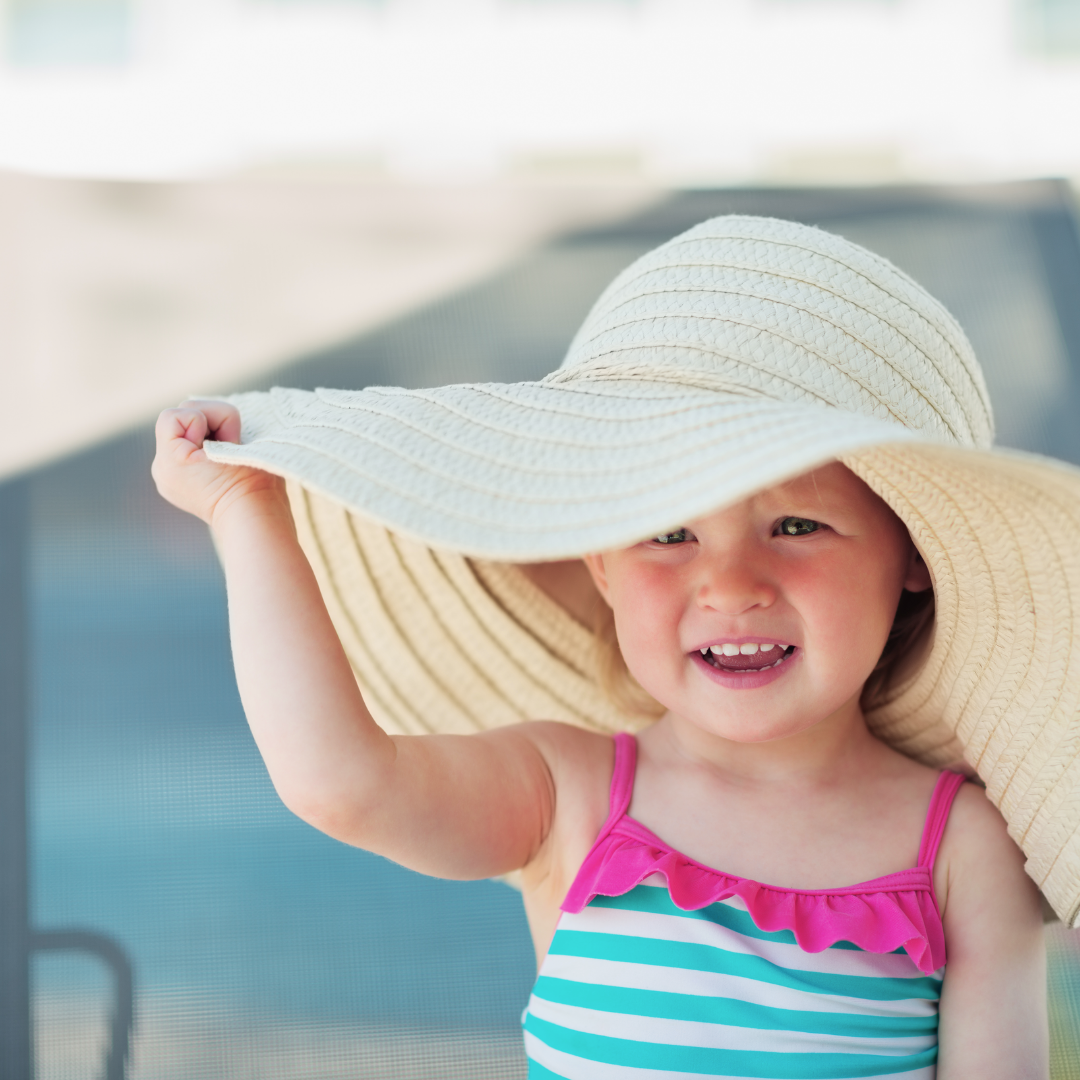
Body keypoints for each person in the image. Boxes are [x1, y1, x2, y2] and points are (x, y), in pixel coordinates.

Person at [152, 215, 1065, 1078]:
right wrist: (247, 513)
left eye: (796, 523)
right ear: (600, 563)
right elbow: (342, 784)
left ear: (912, 555)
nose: (731, 583)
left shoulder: (961, 849)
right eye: (669, 534)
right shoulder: (571, 794)